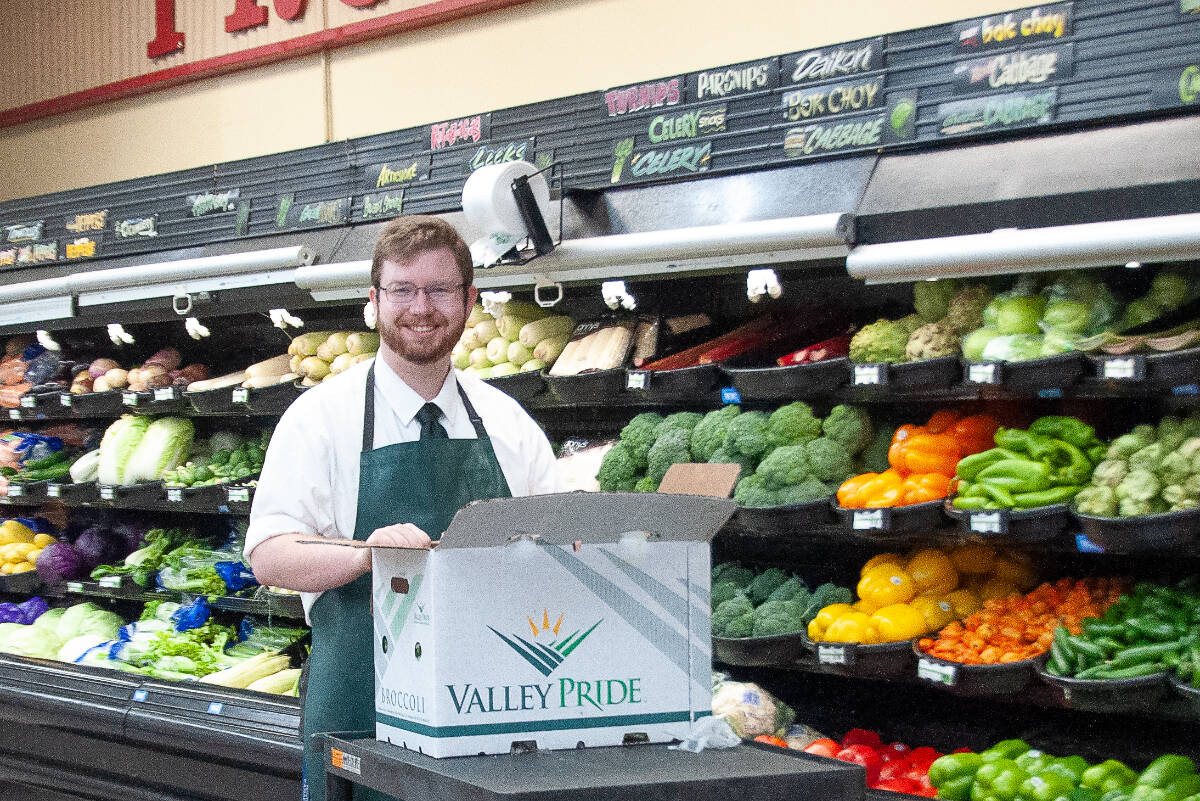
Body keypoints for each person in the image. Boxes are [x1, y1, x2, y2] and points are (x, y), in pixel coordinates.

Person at [244, 215, 560, 801]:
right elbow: (270, 554)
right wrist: (368, 554)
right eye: (403, 290)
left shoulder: (509, 423)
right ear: (375, 301)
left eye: (439, 290)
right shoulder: (320, 418)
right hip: (360, 710)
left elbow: (562, 545)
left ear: (468, 301)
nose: (421, 307)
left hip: (489, 712)